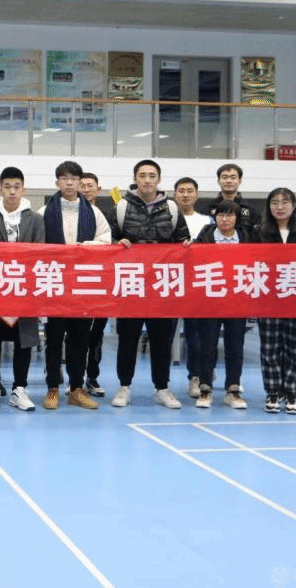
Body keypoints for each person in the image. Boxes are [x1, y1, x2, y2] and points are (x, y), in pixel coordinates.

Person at [109, 159, 190, 410]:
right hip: (131, 285)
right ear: (135, 178)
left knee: (162, 340)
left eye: (151, 175)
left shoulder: (172, 208)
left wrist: (186, 244)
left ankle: (162, 388)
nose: (147, 180)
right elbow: (109, 239)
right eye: (142, 175)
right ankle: (124, 387)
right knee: (127, 339)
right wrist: (116, 243)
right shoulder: (121, 206)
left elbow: (182, 238)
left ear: (159, 179)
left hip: (161, 287)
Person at [38, 161, 110, 410]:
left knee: (80, 339)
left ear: (80, 182)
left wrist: (84, 247)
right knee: (54, 339)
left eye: (74, 178)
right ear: (57, 182)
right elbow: (35, 245)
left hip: (82, 286)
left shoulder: (94, 213)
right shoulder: (44, 211)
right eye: (64, 178)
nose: (69, 183)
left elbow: (106, 240)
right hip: (55, 283)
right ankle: (53, 388)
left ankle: (77, 388)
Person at [0, 167, 44, 412]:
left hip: (24, 290)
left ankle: (19, 389)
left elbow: (39, 253)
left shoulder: (35, 219)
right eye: (7, 187)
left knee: (23, 342)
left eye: (16, 187)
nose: (12, 192)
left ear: (23, 189)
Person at [258, 187, 296, 415]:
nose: (280, 207)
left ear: (294, 205)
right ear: (269, 206)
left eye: (285, 202)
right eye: (274, 202)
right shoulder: (259, 232)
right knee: (270, 349)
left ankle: (292, 392)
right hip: (269, 299)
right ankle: (273, 391)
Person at [191, 200, 254, 410]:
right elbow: (192, 259)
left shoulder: (246, 237)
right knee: (207, 346)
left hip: (237, 300)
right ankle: (205, 389)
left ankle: (233, 390)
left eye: (229, 215)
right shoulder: (205, 235)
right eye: (220, 215)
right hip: (209, 300)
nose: (224, 219)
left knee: (235, 347)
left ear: (237, 218)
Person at [173, 176, 212, 400]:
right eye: (181, 191)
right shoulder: (167, 218)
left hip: (198, 285)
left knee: (195, 335)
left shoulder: (207, 221)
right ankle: (162, 385)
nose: (185, 194)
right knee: (166, 336)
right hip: (170, 282)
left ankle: (196, 376)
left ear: (196, 195)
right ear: (175, 195)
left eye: (190, 191)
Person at [79, 172, 107, 396]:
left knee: (96, 335)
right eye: (83, 186)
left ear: (98, 190)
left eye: (90, 186)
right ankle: (71, 378)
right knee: (71, 335)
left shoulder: (106, 216)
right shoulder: (62, 213)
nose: (86, 190)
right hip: (71, 284)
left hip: (100, 285)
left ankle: (92, 377)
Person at [207, 163, 261, 233]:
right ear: (218, 181)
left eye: (233, 177)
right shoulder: (208, 208)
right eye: (225, 177)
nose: (229, 181)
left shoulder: (251, 210)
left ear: (240, 181)